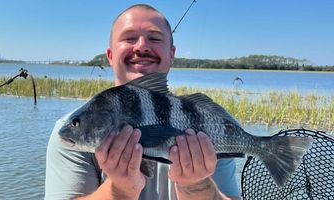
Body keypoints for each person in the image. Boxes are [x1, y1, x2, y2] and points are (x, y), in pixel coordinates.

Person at [45, 4, 241, 200]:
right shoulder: (68, 133)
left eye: (154, 38)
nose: (142, 46)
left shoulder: (209, 122)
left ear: (171, 55)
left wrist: (197, 187)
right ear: (110, 56)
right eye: (129, 38)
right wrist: (120, 190)